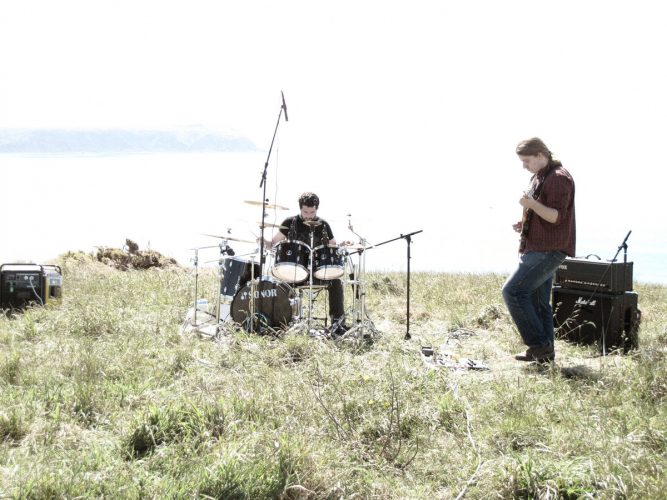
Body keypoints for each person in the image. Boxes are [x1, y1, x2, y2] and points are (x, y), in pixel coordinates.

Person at [502, 138, 576, 363]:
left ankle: (538, 345)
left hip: (548, 250)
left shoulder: (558, 178)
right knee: (538, 302)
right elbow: (545, 213)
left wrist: (532, 205)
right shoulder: (540, 176)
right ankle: (545, 355)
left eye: (527, 161)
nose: (524, 166)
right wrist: (526, 222)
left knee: (513, 292)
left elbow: (556, 216)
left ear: (540, 155)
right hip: (539, 247)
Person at [267, 192, 347, 335]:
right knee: (280, 286)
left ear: (317, 209)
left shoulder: (323, 225)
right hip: (293, 272)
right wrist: (264, 242)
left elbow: (333, 245)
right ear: (300, 209)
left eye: (312, 212)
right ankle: (280, 323)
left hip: (316, 272)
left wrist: (341, 245)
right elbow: (274, 243)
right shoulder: (289, 222)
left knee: (336, 283)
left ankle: (337, 324)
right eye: (305, 212)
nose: (309, 216)